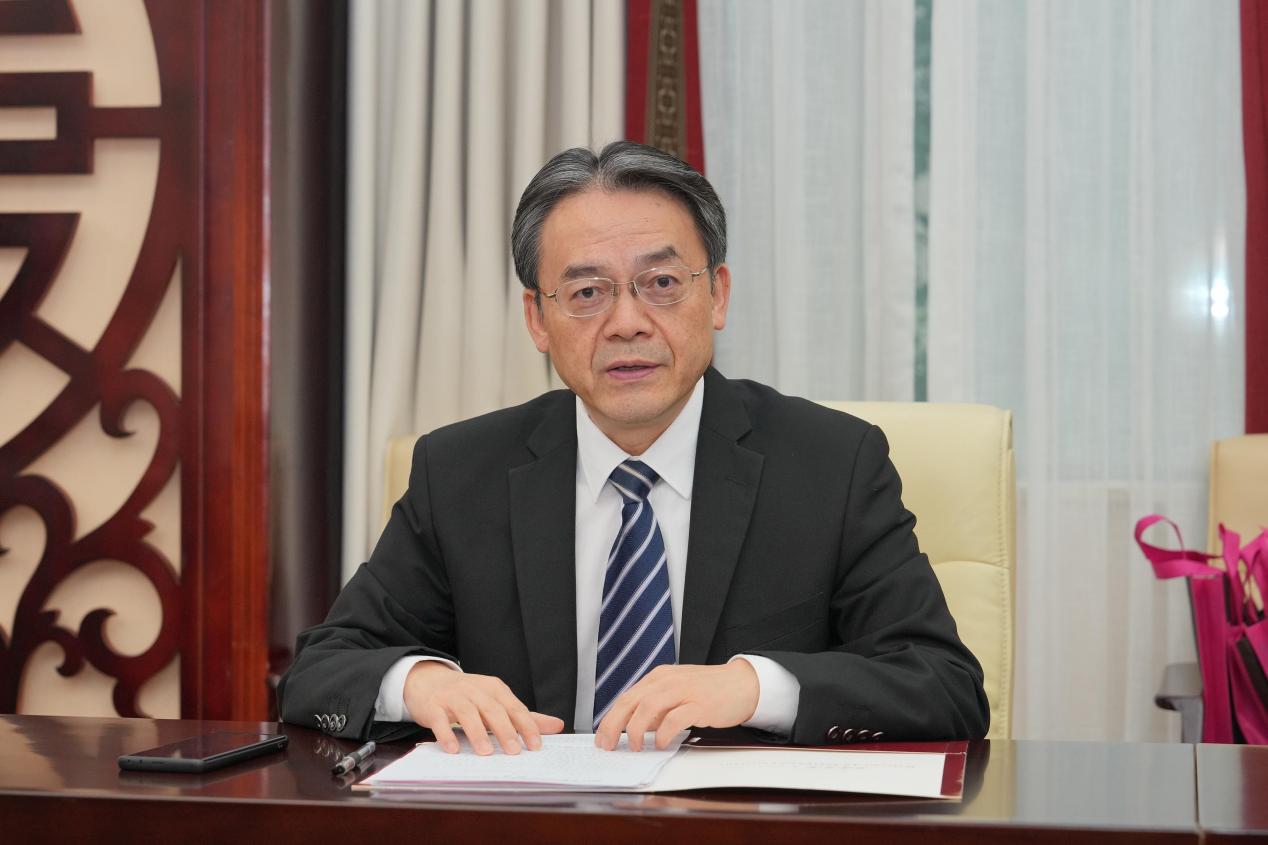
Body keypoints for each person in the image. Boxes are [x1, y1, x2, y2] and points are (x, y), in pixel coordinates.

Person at [278, 141, 989, 755]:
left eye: (662, 284)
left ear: (717, 295)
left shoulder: (833, 464)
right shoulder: (461, 473)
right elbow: (319, 670)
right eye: (587, 292)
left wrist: (755, 686)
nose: (626, 322)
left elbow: (944, 685)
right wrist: (419, 682)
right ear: (537, 318)